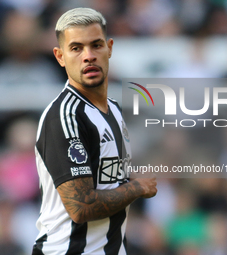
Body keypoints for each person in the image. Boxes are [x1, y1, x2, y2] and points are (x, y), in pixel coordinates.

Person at [32, 8, 157, 255]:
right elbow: (80, 205)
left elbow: (109, 183)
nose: (88, 56)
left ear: (109, 48)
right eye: (76, 48)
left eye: (96, 45)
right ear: (60, 56)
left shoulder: (115, 110)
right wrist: (137, 188)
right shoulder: (66, 116)